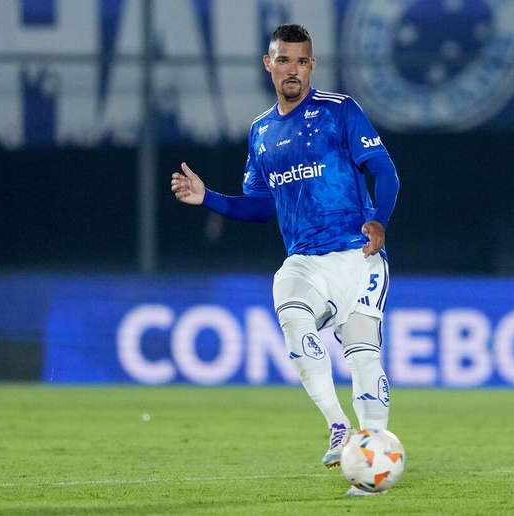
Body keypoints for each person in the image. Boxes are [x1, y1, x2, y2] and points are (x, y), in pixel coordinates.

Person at [171, 24, 400, 490]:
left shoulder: (340, 112)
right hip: (305, 261)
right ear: (268, 64)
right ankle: (339, 427)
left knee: (362, 357)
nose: (292, 69)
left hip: (358, 255)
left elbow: (384, 169)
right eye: (283, 60)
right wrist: (209, 197)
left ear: (311, 65)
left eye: (301, 60)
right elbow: (260, 206)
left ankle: (370, 461)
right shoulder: (261, 132)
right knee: (290, 306)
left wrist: (379, 219)